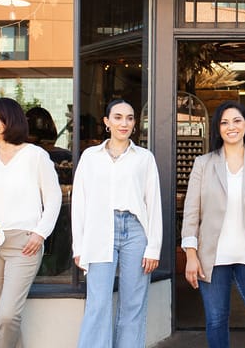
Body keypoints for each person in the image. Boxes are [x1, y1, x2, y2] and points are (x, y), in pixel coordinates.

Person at [181, 100, 245, 348]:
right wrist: (191, 256)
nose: (231, 127)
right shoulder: (203, 164)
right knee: (216, 321)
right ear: (218, 129)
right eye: (224, 122)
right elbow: (191, 214)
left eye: (237, 121)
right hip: (213, 258)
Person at [0, 97, 62, 348]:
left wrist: (40, 234)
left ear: (11, 119)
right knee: (1, 317)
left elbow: (54, 199)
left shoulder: (35, 156)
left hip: (24, 244)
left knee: (8, 315)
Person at [72, 99, 162, 348]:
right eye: (118, 117)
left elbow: (153, 204)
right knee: (98, 302)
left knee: (133, 302)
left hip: (135, 230)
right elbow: (79, 202)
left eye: (130, 118)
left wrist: (153, 246)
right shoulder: (90, 157)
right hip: (100, 229)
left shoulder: (144, 158)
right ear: (107, 122)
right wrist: (78, 246)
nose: (124, 123)